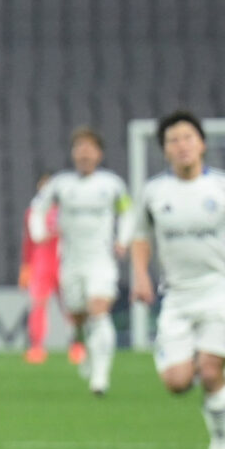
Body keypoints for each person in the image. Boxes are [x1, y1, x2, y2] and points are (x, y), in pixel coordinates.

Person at [128, 111, 225, 449]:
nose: (182, 145)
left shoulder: (220, 187)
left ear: (201, 144)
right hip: (177, 298)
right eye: (173, 140)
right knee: (177, 381)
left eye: (188, 138)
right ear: (165, 150)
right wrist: (140, 275)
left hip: (218, 291)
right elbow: (141, 237)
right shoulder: (154, 192)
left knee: (210, 371)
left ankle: (220, 441)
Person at [29, 127, 132, 395]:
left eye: (90, 148)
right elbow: (38, 207)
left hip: (101, 261)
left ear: (99, 154)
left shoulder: (112, 185)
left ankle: (100, 377)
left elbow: (127, 213)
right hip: (71, 262)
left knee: (99, 311)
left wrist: (123, 239)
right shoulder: (61, 184)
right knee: (77, 316)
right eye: (80, 148)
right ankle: (82, 344)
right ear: (73, 153)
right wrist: (39, 232)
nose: (85, 153)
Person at [19, 172, 67, 366]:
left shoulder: (67, 208)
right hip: (42, 261)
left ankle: (78, 345)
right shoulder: (34, 210)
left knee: (72, 305)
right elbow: (31, 240)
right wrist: (26, 266)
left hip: (64, 259)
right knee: (38, 304)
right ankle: (37, 347)